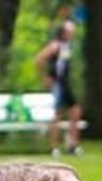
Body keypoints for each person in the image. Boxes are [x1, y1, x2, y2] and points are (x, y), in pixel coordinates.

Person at [34, 19, 83, 156]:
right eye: (69, 32)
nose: (71, 34)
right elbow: (39, 59)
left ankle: (73, 144)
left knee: (75, 112)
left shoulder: (67, 46)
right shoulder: (55, 45)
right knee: (56, 115)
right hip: (57, 83)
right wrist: (45, 77)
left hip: (66, 83)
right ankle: (54, 146)